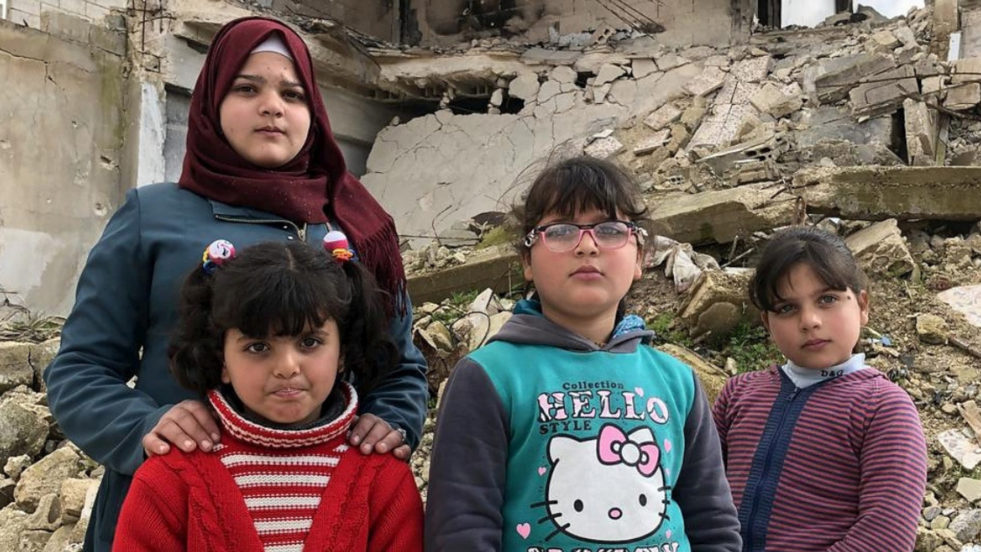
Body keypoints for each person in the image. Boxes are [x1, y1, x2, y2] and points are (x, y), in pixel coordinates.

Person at [43, 17, 427, 551]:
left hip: (327, 511)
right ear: (211, 101)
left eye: (292, 94)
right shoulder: (151, 218)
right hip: (171, 512)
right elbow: (80, 369)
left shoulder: (355, 226)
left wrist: (389, 422)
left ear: (313, 112)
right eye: (247, 88)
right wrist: (145, 429)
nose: (273, 106)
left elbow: (400, 367)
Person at [425, 156, 741, 551]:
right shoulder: (489, 376)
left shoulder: (677, 381)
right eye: (560, 231)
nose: (587, 245)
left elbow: (712, 518)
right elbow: (462, 526)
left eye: (610, 229)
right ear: (526, 259)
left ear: (641, 256)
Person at [111, 239, 424, 551]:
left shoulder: (383, 478)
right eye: (258, 347)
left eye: (310, 342)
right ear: (222, 361)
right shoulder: (169, 480)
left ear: (342, 352)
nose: (287, 367)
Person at [712, 226, 927, 552]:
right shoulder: (738, 393)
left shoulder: (882, 407)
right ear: (768, 323)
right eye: (787, 308)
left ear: (862, 305)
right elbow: (696, 492)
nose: (809, 320)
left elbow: (886, 536)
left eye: (827, 299)